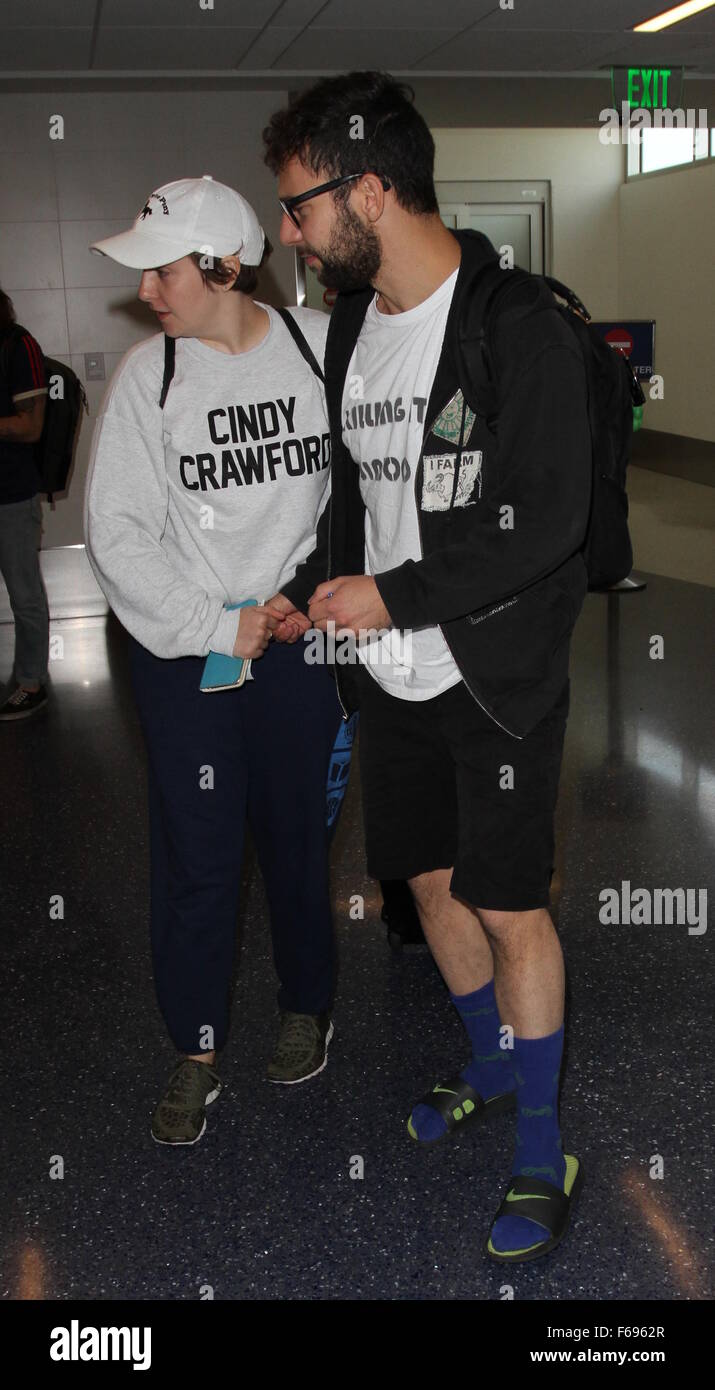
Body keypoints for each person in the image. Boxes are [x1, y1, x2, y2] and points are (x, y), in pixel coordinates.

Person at [263, 72, 592, 1261]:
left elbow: (544, 515)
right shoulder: (352, 326)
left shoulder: (521, 326)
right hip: (384, 670)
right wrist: (320, 591)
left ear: (369, 187)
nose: (287, 232)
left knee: (509, 903)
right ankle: (495, 1067)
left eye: (299, 206)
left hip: (491, 673)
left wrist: (393, 595)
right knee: (427, 883)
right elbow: (362, 495)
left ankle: (544, 1137)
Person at [84, 175, 344, 1146]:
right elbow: (116, 533)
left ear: (224, 266)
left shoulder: (318, 350)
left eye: (162, 270)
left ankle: (305, 1004)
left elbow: (354, 497)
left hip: (296, 643)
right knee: (198, 856)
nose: (148, 291)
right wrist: (213, 621)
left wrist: (297, 596)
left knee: (293, 839)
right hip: (187, 651)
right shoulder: (149, 376)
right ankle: (196, 1049)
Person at [0, 289, 49, 721]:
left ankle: (31, 682)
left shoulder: (17, 345)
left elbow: (32, 426)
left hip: (11, 495)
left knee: (24, 595)